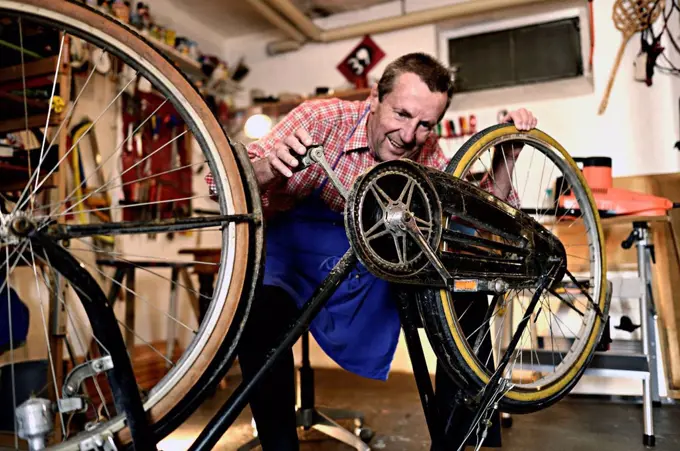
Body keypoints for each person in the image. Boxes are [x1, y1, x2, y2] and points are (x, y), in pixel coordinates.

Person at [206, 52, 537, 450]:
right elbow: (217, 182)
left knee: (468, 305)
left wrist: (505, 161)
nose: (409, 135)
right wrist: (268, 170)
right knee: (259, 318)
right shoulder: (319, 120)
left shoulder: (426, 150)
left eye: (425, 124)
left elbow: (475, 226)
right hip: (292, 260)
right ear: (374, 99)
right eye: (400, 114)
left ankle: (460, 443)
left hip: (367, 270)